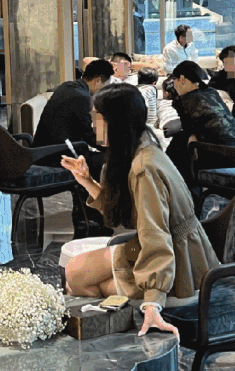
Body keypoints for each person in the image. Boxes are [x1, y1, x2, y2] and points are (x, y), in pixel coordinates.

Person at [61, 84, 218, 338]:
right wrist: (87, 181)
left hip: (180, 273)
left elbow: (156, 236)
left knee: (76, 278)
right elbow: (130, 215)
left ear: (114, 122)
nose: (91, 123)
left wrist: (153, 301)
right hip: (164, 253)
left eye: (96, 117)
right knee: (76, 274)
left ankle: (125, 334)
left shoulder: (144, 169)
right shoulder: (141, 148)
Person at [32, 59, 115, 237]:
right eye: (106, 85)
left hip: (43, 152)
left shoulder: (68, 87)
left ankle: (85, 213)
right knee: (102, 161)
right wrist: (117, 148)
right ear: (98, 81)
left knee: (94, 156)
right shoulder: (82, 98)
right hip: (56, 158)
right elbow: (93, 137)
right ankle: (90, 218)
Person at [165, 61, 235, 193]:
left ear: (182, 79)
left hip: (218, 156)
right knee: (182, 139)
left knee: (179, 142)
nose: (174, 86)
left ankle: (179, 189)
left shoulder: (184, 100)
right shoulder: (212, 92)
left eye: (174, 81)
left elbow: (189, 131)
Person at [153, 77, 182, 150]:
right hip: (186, 124)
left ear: (166, 93)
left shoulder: (159, 102)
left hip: (170, 126)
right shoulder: (185, 100)